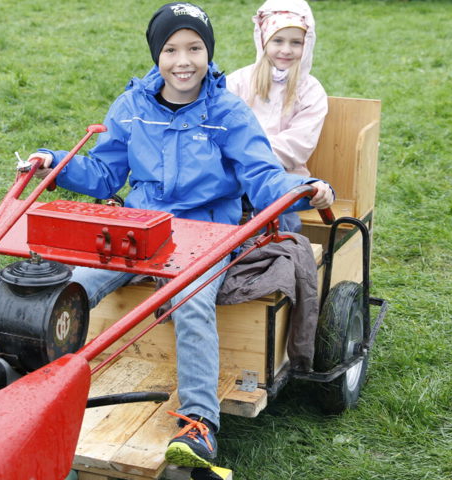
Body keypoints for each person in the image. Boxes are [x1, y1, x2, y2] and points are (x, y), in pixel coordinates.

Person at [27, 2, 333, 469]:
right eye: (171, 49)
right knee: (73, 288)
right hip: (139, 228)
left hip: (206, 231)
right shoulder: (132, 106)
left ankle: (198, 424)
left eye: (195, 48)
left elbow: (261, 174)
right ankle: (39, 387)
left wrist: (301, 189)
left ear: (208, 54)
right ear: (157, 55)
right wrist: (55, 163)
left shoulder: (227, 111)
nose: (183, 60)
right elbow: (106, 174)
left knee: (190, 301)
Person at [227, 0, 328, 233]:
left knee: (278, 218)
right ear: (264, 42)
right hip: (234, 175)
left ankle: (277, 258)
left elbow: (298, 145)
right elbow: (224, 127)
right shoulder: (239, 82)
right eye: (278, 41)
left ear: (307, 45)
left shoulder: (310, 91)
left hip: (281, 179)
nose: (286, 50)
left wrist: (253, 159)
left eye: (296, 43)